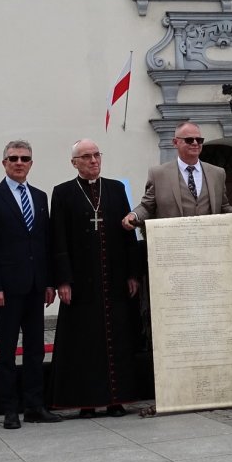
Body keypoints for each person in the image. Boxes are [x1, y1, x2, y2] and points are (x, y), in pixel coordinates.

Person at [50, 139, 143, 418]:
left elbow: (129, 236)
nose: (93, 161)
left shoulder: (115, 189)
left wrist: (132, 273)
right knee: (83, 343)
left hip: (114, 279)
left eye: (96, 155)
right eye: (86, 157)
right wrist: (63, 280)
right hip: (81, 283)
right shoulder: (63, 193)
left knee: (118, 338)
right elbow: (59, 239)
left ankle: (116, 400)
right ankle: (86, 402)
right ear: (74, 162)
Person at [0, 140, 62, 428]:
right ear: (4, 163)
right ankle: (10, 409)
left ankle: (35, 405)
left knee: (36, 349)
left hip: (37, 286)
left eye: (24, 158)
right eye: (13, 158)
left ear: (31, 163)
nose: (19, 163)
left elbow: (44, 243)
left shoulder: (39, 197)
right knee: (6, 351)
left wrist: (49, 282)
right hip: (8, 288)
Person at [122, 121, 232, 229]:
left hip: (209, 244)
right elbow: (147, 206)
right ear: (175, 142)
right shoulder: (158, 174)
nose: (195, 143)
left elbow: (223, 207)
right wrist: (134, 215)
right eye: (189, 140)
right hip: (175, 244)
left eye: (199, 140)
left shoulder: (217, 173)